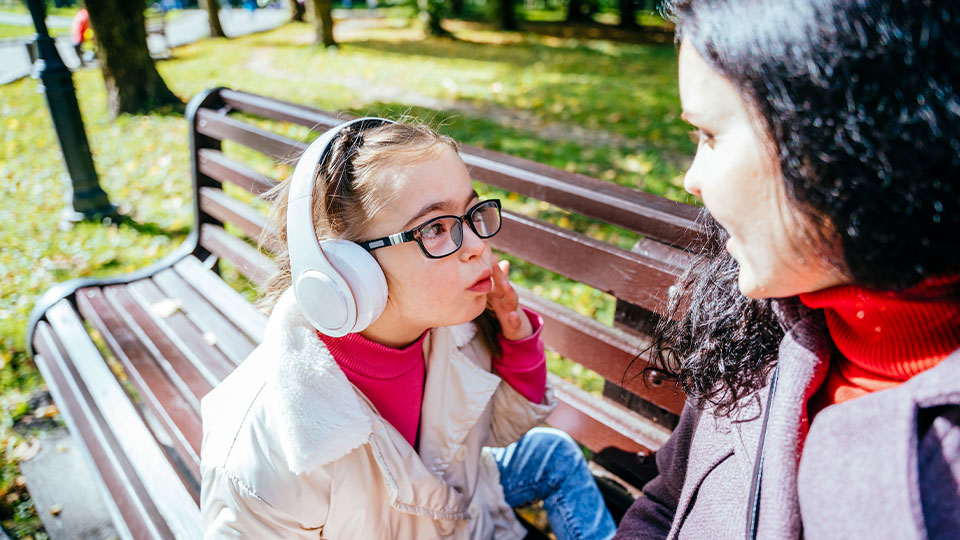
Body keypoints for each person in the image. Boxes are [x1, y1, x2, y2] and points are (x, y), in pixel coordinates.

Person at [615, 0, 960, 538]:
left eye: (708, 135)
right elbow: (665, 502)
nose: (692, 179)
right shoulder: (764, 316)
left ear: (843, 142)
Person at [200, 119, 617, 539]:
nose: (477, 246)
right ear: (347, 270)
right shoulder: (265, 463)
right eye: (435, 228)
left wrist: (516, 340)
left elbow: (498, 428)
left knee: (552, 451)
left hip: (461, 513)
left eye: (472, 213)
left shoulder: (451, 328)